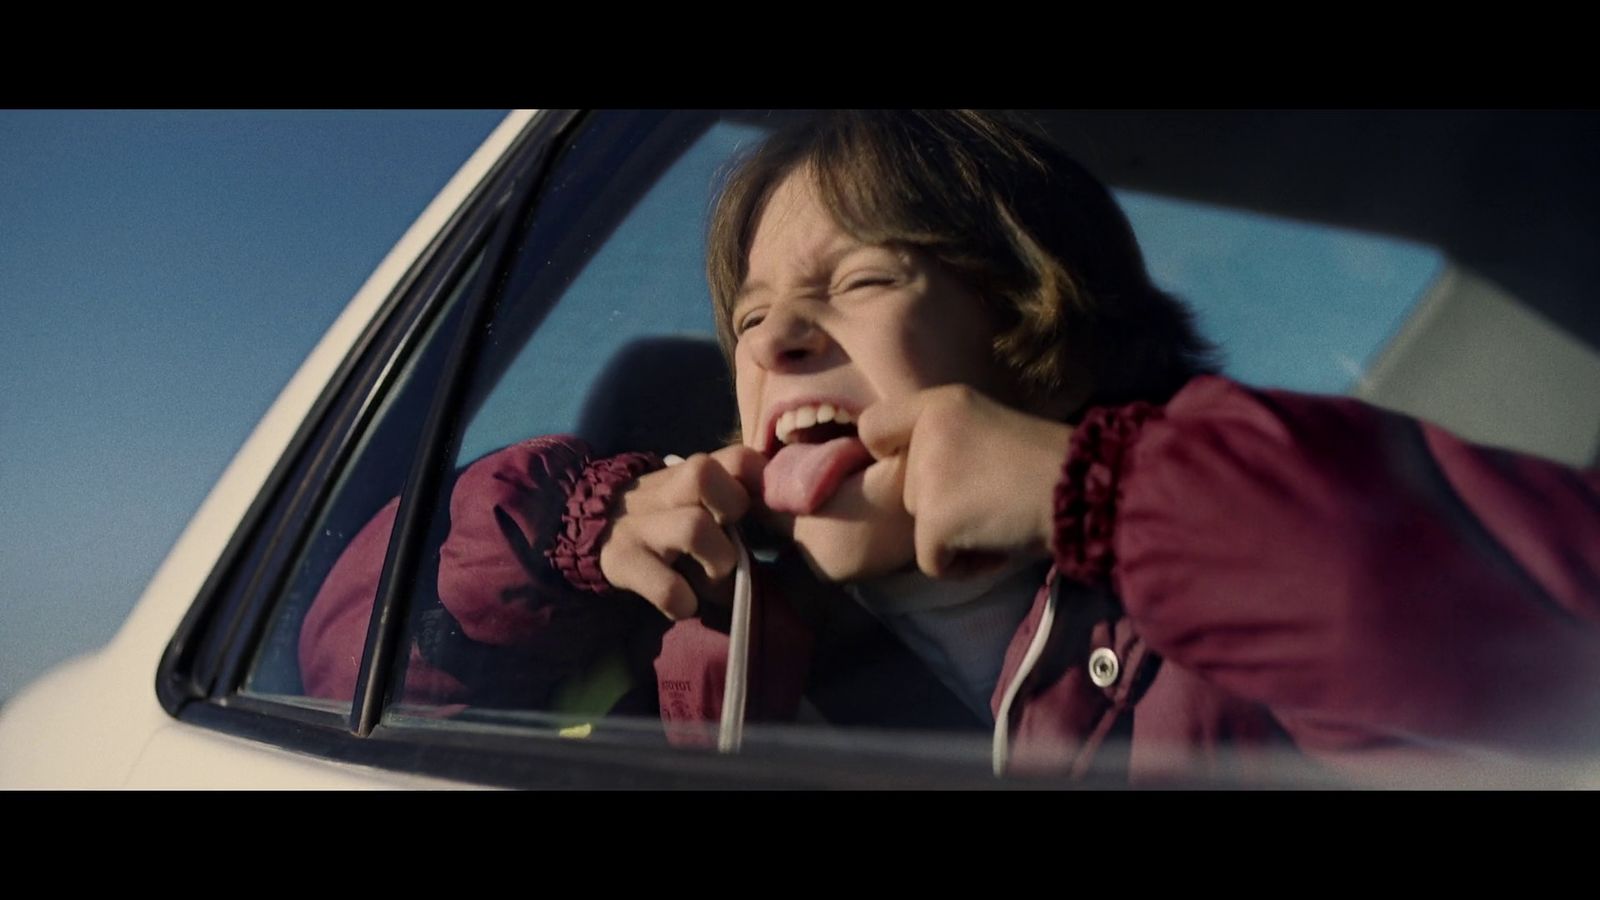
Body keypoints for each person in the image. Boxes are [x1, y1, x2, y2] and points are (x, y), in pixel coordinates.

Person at [303, 111, 1600, 786]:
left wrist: (1101, 495)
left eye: (858, 281)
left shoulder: (1216, 563)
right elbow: (350, 670)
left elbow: (1545, 659)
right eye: (749, 318)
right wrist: (554, 535)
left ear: (1029, 316)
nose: (777, 344)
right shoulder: (712, 639)